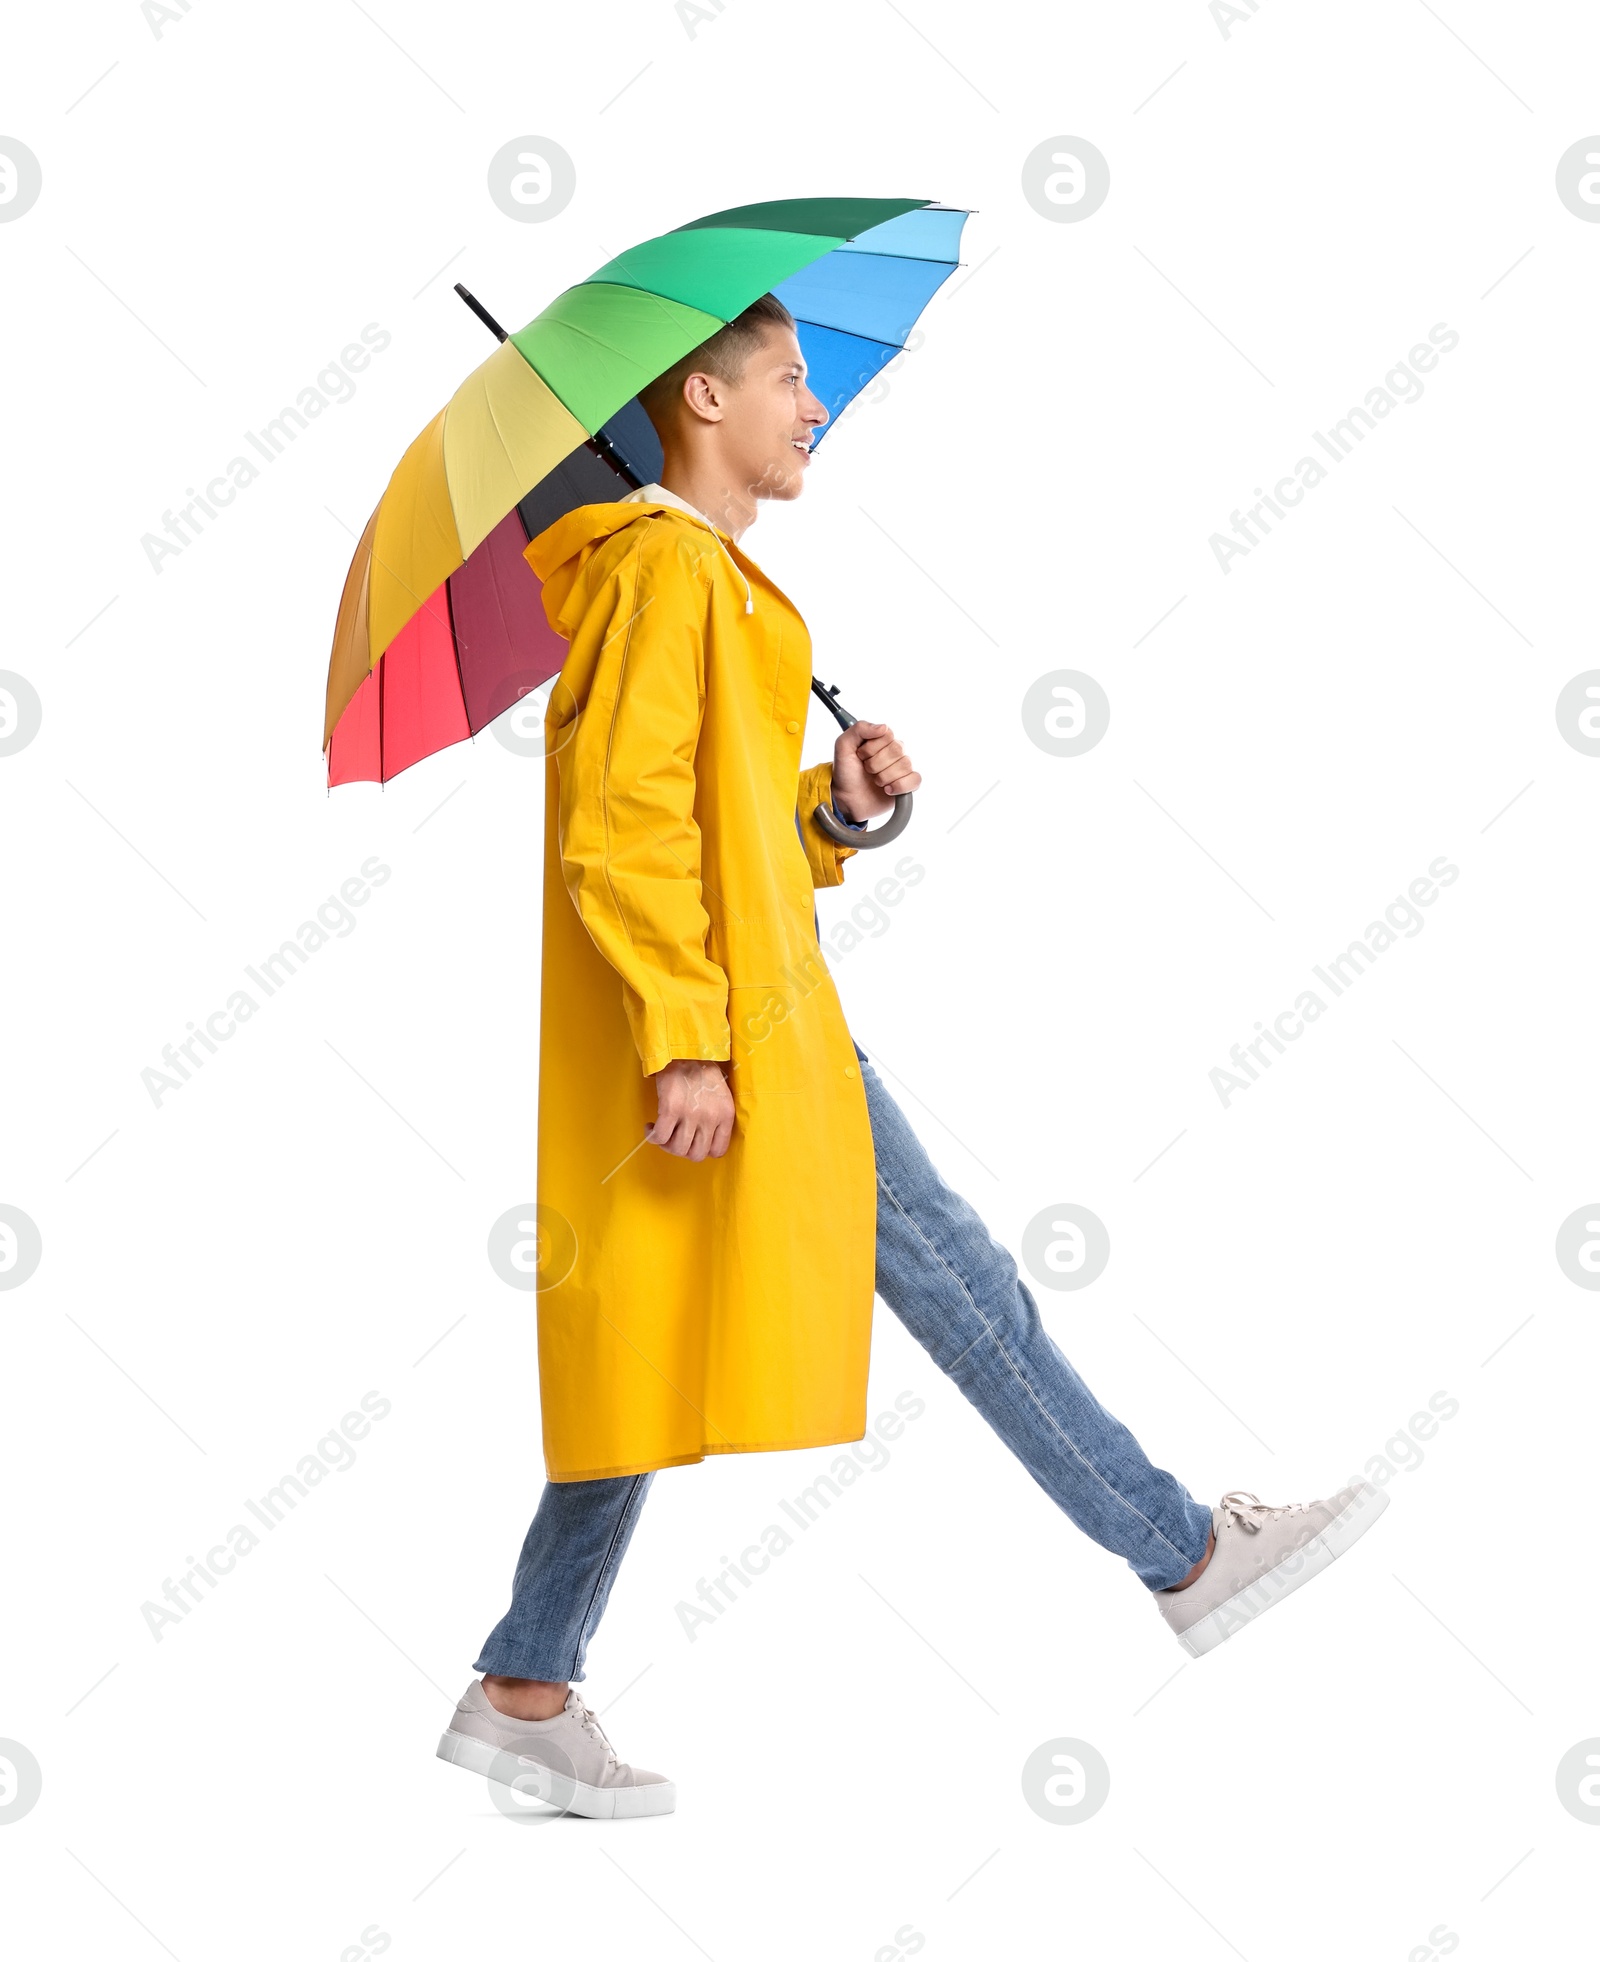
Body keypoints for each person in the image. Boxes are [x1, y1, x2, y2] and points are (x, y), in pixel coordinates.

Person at [436, 294, 1388, 1820]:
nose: (814, 407)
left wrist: (836, 809)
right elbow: (616, 839)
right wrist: (687, 1041)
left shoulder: (700, 582)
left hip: (753, 1021)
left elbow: (720, 835)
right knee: (955, 1276)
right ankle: (1187, 1550)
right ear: (698, 395)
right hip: (741, 1039)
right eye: (792, 380)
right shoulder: (669, 575)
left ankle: (526, 1685)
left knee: (651, 1342)